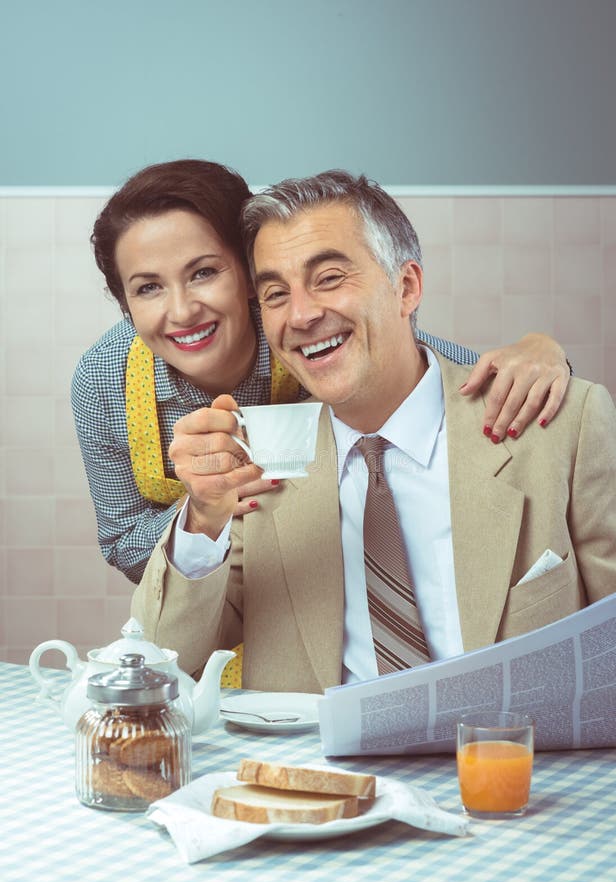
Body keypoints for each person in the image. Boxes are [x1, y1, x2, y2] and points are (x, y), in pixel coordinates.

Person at [130, 170, 616, 691]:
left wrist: (545, 346)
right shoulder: (261, 459)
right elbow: (166, 658)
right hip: (324, 767)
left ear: (406, 287)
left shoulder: (561, 424)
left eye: (330, 278)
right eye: (274, 293)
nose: (302, 314)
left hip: (510, 763)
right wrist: (203, 514)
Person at [73, 160, 570, 584]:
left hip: (315, 604)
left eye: (204, 272)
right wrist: (206, 515)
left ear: (251, 275)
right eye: (147, 288)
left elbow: (441, 368)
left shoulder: (308, 334)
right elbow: (122, 541)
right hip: (204, 612)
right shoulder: (103, 379)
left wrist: (542, 351)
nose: (181, 312)